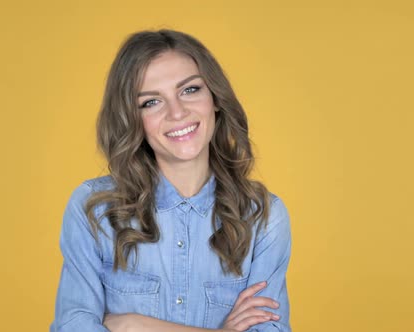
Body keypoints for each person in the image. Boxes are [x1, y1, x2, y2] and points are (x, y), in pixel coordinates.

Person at [50, 29, 292, 332]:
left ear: (215, 98)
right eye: (151, 102)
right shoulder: (93, 210)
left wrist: (134, 325)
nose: (177, 113)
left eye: (190, 90)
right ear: (132, 119)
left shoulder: (263, 217)